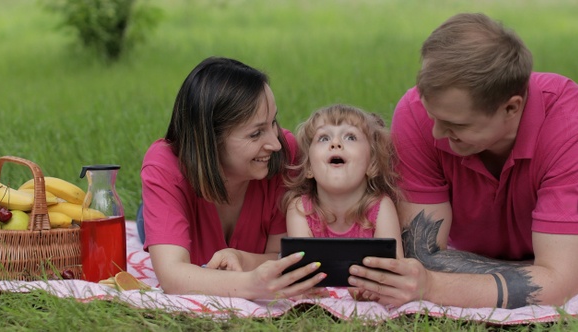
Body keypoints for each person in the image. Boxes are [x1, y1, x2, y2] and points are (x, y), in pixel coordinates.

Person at [347, 13, 578, 309]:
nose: (436, 132)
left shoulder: (568, 127)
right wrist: (546, 274)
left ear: (511, 108)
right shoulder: (417, 114)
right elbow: (422, 256)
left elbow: (561, 287)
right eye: (434, 116)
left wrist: (433, 286)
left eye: (457, 125)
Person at [139, 56, 325, 298]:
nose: (274, 143)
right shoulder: (165, 166)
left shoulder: (284, 154)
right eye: (256, 133)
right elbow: (172, 276)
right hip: (171, 203)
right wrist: (248, 285)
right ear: (210, 140)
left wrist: (241, 259)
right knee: (148, 225)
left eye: (273, 123)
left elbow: (281, 257)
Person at [283, 104, 404, 259]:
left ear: (372, 164)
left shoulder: (380, 208)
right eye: (324, 138)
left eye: (350, 137)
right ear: (308, 167)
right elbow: (302, 274)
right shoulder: (301, 210)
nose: (335, 143)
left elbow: (394, 271)